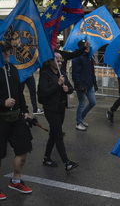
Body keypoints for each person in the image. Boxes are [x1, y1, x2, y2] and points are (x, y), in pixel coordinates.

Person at [0, 42, 33, 200]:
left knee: (23, 146)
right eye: (4, 51)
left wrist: (25, 110)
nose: (7, 53)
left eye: (8, 50)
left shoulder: (12, 68)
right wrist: (3, 103)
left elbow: (19, 92)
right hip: (1, 117)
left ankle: (16, 180)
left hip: (16, 116)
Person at [38, 53, 79, 171]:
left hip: (60, 108)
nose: (60, 63)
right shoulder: (45, 74)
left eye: (61, 61)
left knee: (54, 134)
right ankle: (67, 162)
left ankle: (46, 157)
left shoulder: (62, 74)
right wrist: (58, 84)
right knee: (59, 135)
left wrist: (68, 89)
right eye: (57, 61)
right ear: (50, 62)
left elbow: (71, 88)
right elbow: (44, 92)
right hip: (50, 109)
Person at [72, 40, 98, 131]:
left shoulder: (89, 57)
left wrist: (94, 83)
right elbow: (75, 73)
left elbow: (92, 72)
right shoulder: (76, 57)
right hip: (81, 86)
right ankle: (78, 122)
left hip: (89, 85)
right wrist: (79, 85)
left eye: (88, 46)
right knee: (81, 104)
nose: (87, 48)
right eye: (85, 46)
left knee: (93, 102)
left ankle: (82, 117)